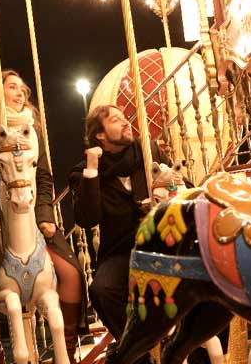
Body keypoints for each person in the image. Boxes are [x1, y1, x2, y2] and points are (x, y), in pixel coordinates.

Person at [0, 70, 85, 363]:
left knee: (71, 273)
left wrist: (45, 215)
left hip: (30, 213)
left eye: (23, 90)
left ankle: (67, 349)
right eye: (13, 87)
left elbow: (43, 177)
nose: (20, 94)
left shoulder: (32, 130)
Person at [69, 104, 171, 362]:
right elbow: (87, 218)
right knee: (101, 290)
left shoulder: (147, 151)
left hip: (160, 241)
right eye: (116, 120)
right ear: (100, 135)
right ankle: (138, 352)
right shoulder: (84, 171)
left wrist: (160, 199)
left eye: (125, 118)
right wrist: (92, 168)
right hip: (122, 249)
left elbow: (178, 183)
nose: (126, 122)